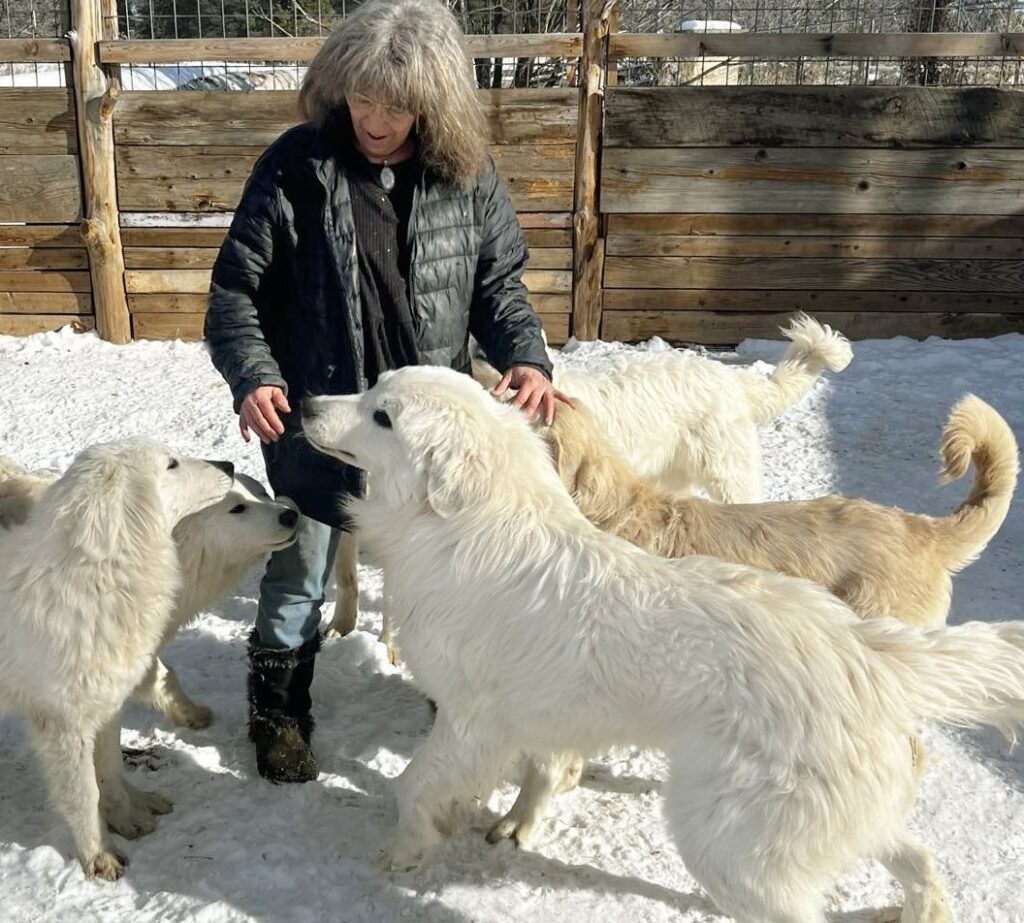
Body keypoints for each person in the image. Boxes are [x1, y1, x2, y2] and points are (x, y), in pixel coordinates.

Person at [204, 0, 567, 783]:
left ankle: (458, 699)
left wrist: (525, 357)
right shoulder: (296, 165)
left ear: (434, 103)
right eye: (361, 97)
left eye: (397, 104)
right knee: (300, 569)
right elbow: (235, 290)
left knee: (454, 578)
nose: (375, 118)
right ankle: (279, 711)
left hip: (427, 435)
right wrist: (255, 376)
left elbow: (498, 284)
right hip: (324, 417)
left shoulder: (466, 173)